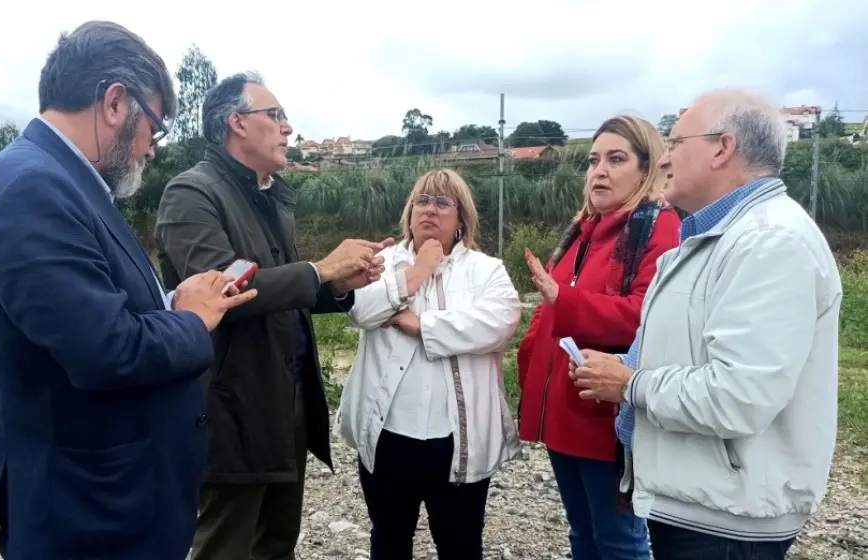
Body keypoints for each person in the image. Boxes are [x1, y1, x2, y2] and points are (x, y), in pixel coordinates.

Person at [0, 21, 257, 560]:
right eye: (154, 128)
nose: (152, 149)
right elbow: (107, 353)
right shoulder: (32, 188)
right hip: (88, 517)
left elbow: (83, 317)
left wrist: (166, 303)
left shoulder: (61, 181)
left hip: (102, 504)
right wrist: (192, 320)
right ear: (116, 102)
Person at [571, 89, 842, 560]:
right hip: (705, 501)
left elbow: (739, 396)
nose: (664, 160)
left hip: (728, 521)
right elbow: (692, 349)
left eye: (675, 143)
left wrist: (632, 384)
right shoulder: (713, 237)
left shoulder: (769, 243)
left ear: (723, 147)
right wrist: (624, 367)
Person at [154, 71, 390, 560]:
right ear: (237, 123)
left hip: (283, 407)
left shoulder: (268, 197)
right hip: (230, 408)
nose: (288, 128)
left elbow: (278, 292)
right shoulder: (191, 193)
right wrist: (320, 268)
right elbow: (223, 293)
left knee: (277, 544)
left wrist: (336, 286)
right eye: (276, 115)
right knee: (226, 547)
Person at [334, 169, 523, 560]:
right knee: (388, 539)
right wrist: (416, 273)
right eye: (422, 200)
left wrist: (423, 326)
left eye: (442, 202)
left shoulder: (486, 269)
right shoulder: (383, 261)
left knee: (461, 544)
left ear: (461, 218)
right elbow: (361, 312)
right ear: (409, 211)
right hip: (388, 435)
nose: (430, 210)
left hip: (457, 442)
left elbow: (499, 322)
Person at [515, 115, 680, 559]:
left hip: (606, 417)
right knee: (583, 533)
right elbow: (547, 318)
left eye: (616, 159)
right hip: (565, 411)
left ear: (645, 171)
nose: (599, 170)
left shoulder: (656, 228)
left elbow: (645, 317)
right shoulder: (583, 230)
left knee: (619, 541)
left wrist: (562, 300)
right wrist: (530, 376)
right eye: (593, 160)